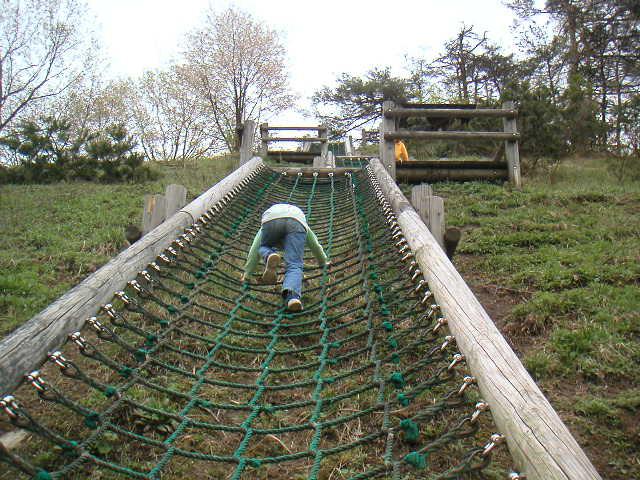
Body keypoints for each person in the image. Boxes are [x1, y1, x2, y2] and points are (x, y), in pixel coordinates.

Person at [243, 203, 329, 312]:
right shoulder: (303, 224)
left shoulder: (266, 224)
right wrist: (323, 261)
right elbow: (315, 245)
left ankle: (269, 255)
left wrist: (247, 274)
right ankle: (292, 297)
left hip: (271, 218)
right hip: (296, 220)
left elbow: (255, 248)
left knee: (262, 246)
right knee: (294, 264)